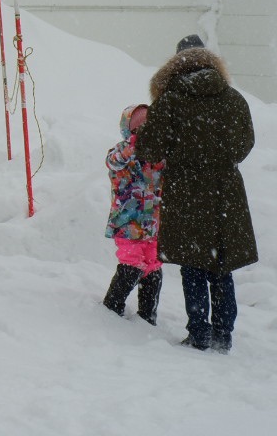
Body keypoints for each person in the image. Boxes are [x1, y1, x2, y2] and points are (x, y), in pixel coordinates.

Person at [137, 34, 257, 353]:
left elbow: (149, 147)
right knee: (220, 263)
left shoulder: (171, 100)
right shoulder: (233, 98)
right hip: (224, 193)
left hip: (185, 190)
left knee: (193, 263)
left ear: (177, 62)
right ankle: (224, 332)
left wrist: (177, 152)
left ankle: (199, 331)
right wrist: (218, 160)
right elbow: (244, 144)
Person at [101, 103, 163, 323]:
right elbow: (113, 162)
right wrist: (133, 144)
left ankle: (148, 314)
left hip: (153, 223)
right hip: (128, 222)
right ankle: (112, 306)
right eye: (139, 129)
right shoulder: (121, 153)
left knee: (153, 264)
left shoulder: (157, 156)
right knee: (132, 262)